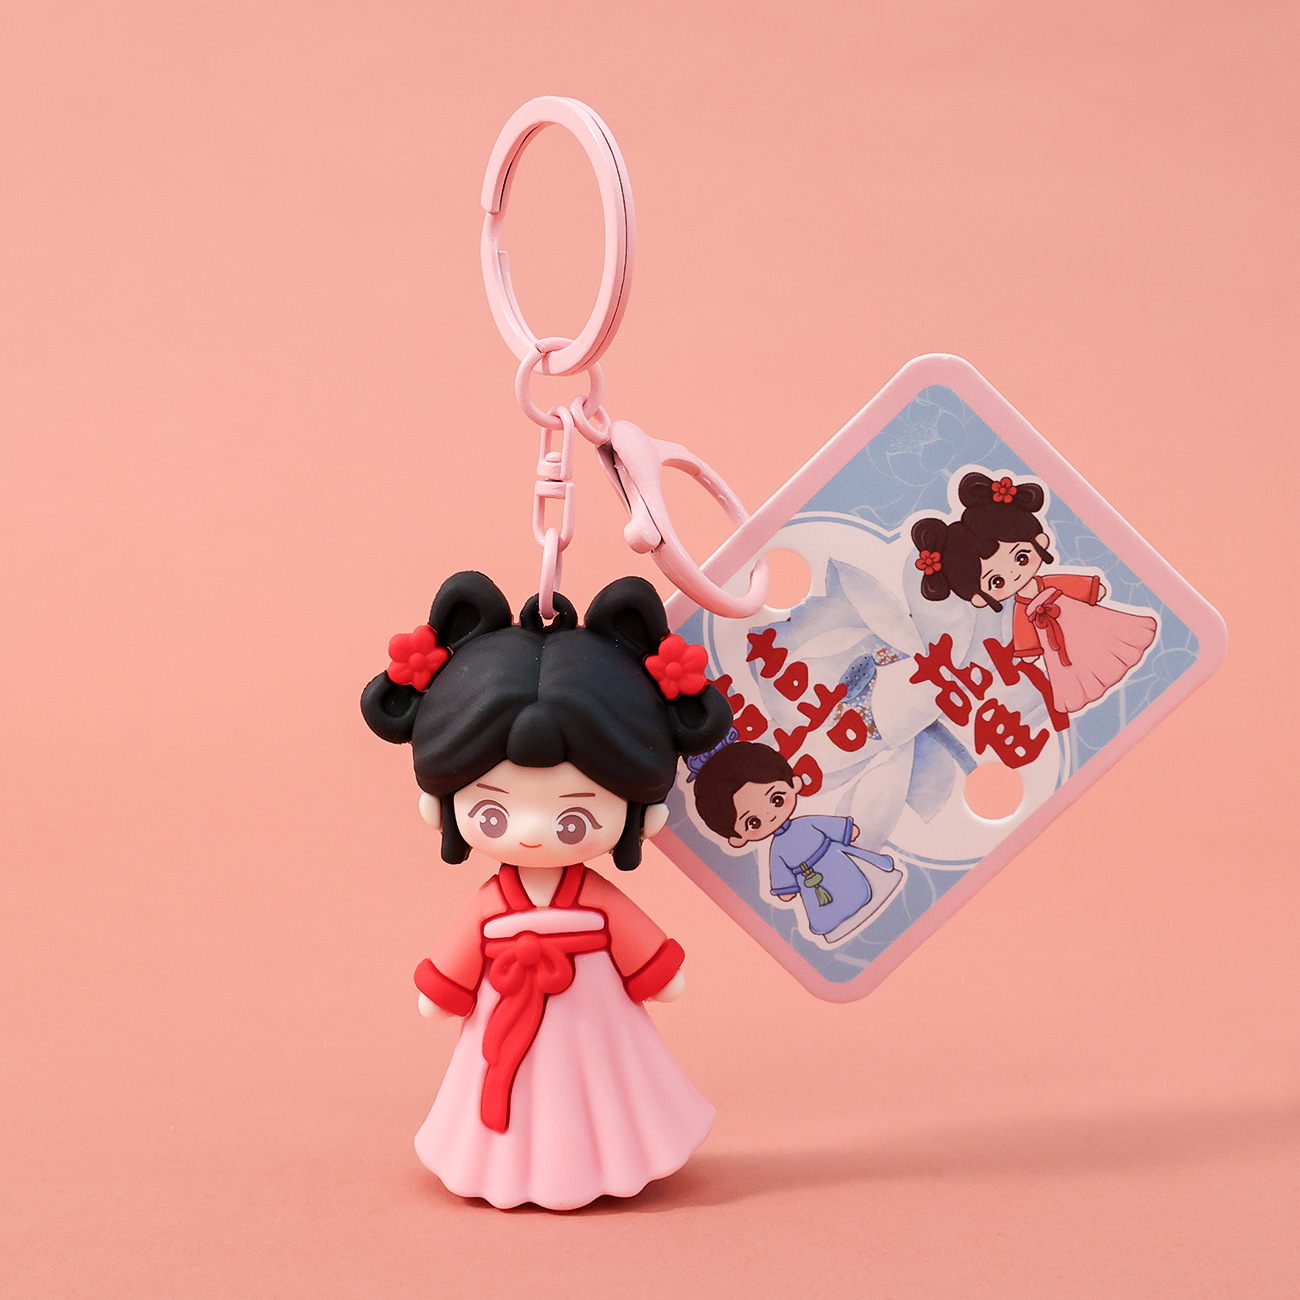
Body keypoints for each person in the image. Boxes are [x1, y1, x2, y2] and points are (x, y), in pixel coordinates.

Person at [361, 571, 732, 1211]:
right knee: (518, 1086)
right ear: (440, 807)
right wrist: (443, 991)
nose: (531, 834)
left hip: (595, 1019)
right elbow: (458, 958)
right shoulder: (493, 905)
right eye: (494, 813)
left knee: (597, 1091)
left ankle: (605, 1157)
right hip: (505, 1017)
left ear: (641, 813)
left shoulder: (595, 903)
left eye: (572, 819)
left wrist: (657, 973)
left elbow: (638, 947)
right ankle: (505, 1165)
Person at [911, 471, 1157, 714]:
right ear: (979, 598)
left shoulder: (1047, 585)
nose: (1013, 573)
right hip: (1055, 646)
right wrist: (1028, 651)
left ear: (1039, 541)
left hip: (1082, 618)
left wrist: (1092, 589)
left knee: (1105, 640)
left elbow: (1070, 586)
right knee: (1072, 667)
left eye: (1021, 557)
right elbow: (1024, 630)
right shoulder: (1022, 608)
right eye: (996, 581)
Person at [691, 741, 904, 946]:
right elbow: (781, 873)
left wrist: (846, 831)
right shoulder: (777, 850)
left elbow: (829, 828)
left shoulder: (806, 824)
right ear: (738, 838)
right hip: (811, 883)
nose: (769, 815)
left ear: (793, 784)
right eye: (753, 822)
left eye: (776, 799)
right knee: (830, 908)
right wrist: (787, 888)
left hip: (836, 859)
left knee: (861, 881)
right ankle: (843, 923)